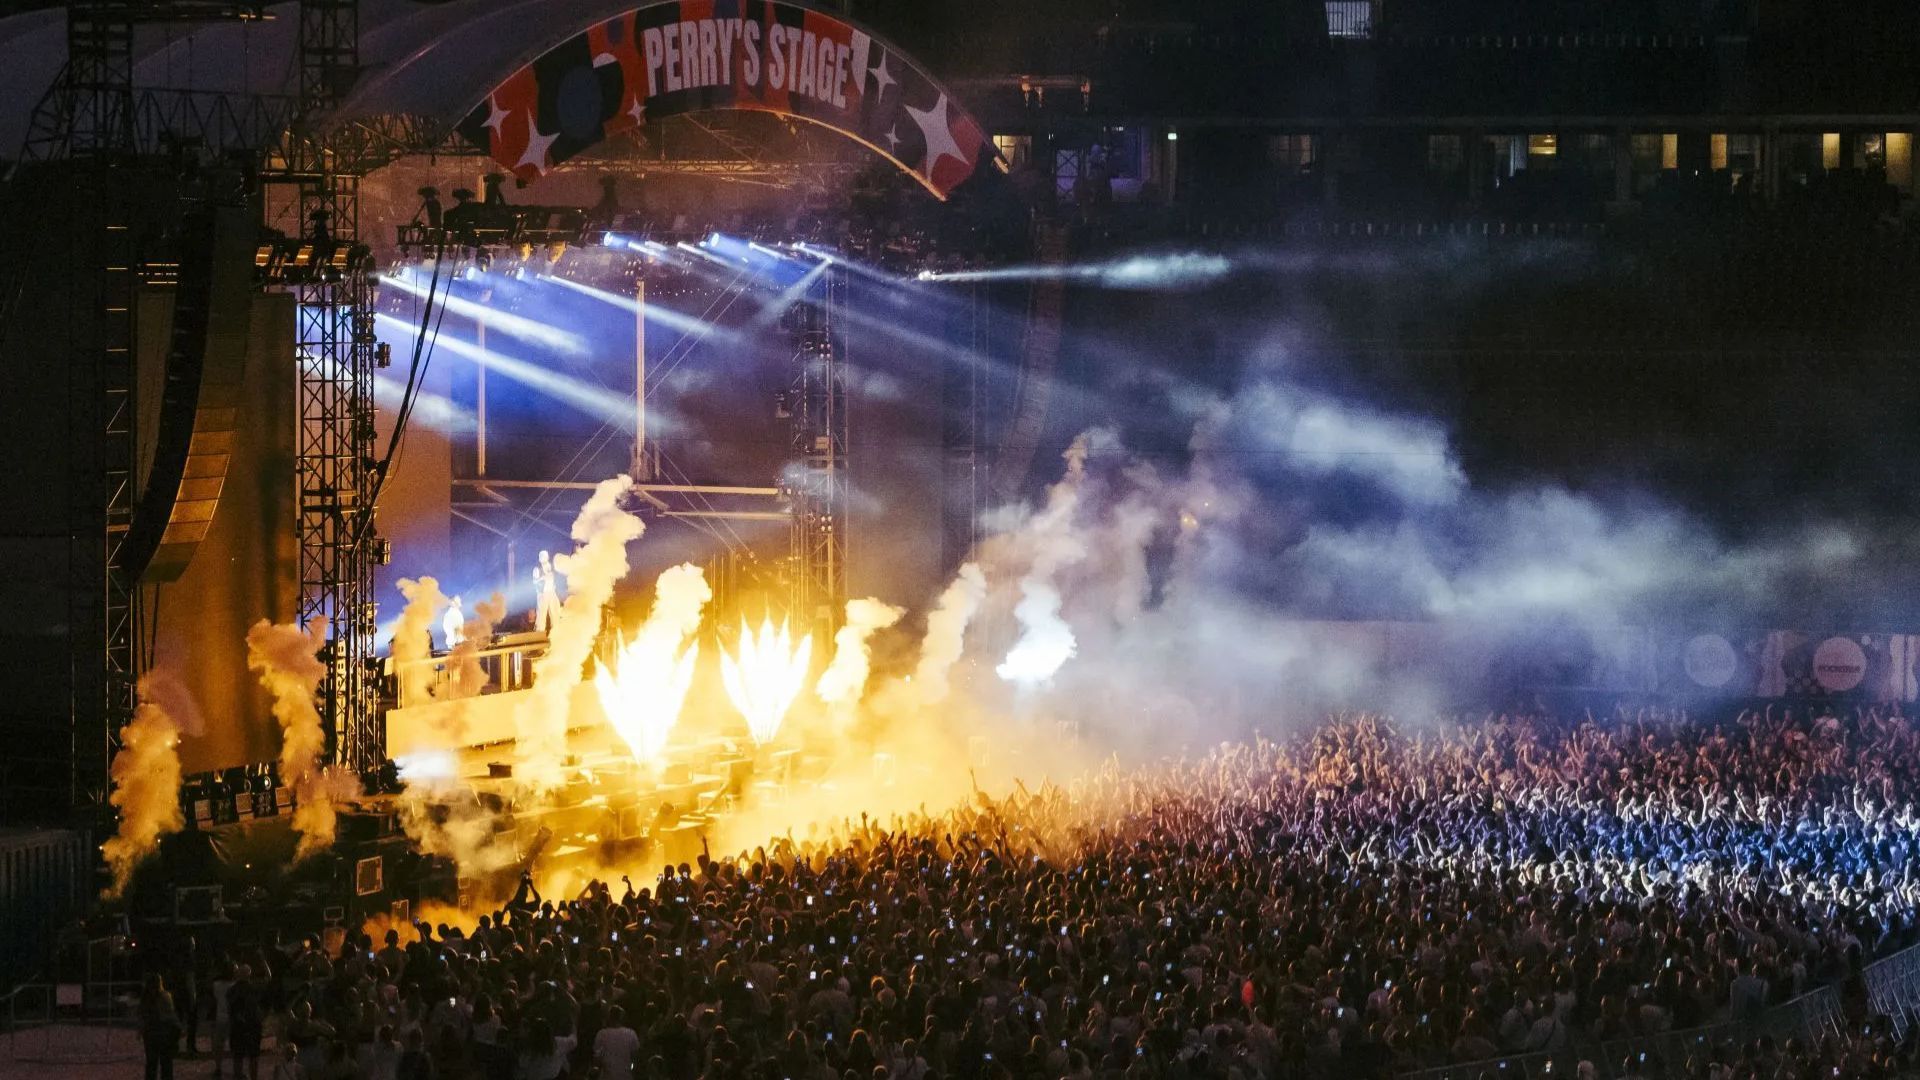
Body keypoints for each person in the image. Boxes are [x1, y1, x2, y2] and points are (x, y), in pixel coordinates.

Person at [139, 972, 181, 1080]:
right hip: (164, 1032)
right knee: (166, 1063)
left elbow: (143, 1016)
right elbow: (170, 1015)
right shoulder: (165, 996)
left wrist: (141, 1030)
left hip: (150, 1033)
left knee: (151, 1064)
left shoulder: (145, 999)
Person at [592, 1005, 640, 1080]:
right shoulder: (631, 1034)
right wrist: (632, 1069)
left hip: (607, 1076)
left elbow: (597, 1058)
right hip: (626, 1076)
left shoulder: (601, 1034)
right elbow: (635, 1058)